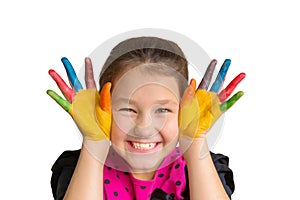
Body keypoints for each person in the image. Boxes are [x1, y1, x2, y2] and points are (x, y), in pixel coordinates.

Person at [47, 36, 245, 200]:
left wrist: (195, 143)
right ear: (102, 109)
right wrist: (93, 144)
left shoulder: (199, 168)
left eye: (162, 110)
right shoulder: (80, 168)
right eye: (127, 109)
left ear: (185, 110)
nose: (143, 127)